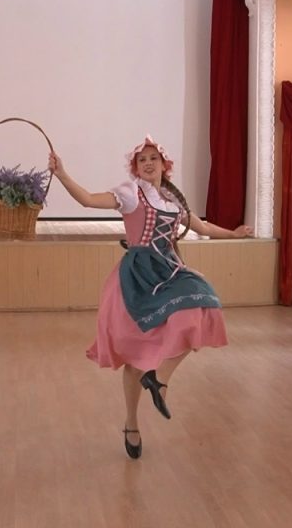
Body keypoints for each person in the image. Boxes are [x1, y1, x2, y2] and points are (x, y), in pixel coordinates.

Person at [47, 135, 251, 459]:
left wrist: (234, 234)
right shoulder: (131, 193)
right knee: (134, 358)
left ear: (164, 164)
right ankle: (131, 422)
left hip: (168, 271)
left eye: (153, 158)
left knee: (204, 302)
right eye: (142, 160)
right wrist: (62, 174)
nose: (148, 163)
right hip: (138, 277)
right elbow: (87, 199)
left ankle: (159, 379)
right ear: (135, 167)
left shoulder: (173, 200)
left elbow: (203, 227)